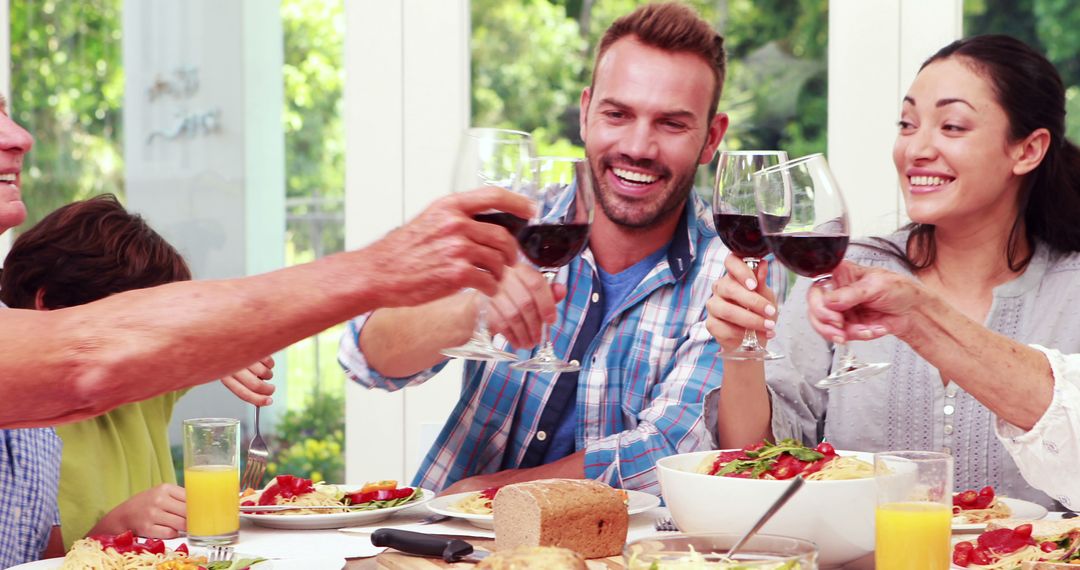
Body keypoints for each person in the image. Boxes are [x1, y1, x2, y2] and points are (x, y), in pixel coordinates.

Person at [0, 97, 531, 566]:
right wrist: (381, 269)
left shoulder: (84, 414)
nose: (22, 137)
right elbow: (87, 362)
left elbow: (172, 333)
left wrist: (220, 344)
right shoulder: (41, 397)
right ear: (50, 306)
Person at [339, 2, 731, 495]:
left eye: (671, 124)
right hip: (454, 551)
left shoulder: (728, 268)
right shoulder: (512, 219)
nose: (638, 146)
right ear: (586, 113)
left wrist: (498, 493)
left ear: (711, 138)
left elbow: (674, 448)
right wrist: (473, 308)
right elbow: (367, 356)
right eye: (617, 114)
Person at [704, 34, 1080, 509]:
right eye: (907, 124)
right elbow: (757, 461)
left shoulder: (1072, 291)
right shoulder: (844, 275)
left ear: (1027, 150)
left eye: (953, 126)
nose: (916, 149)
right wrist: (741, 353)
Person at [0, 194, 276, 549]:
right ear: (50, 305)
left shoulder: (140, 378)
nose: (153, 338)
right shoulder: (20, 421)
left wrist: (222, 344)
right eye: (135, 322)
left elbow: (194, 329)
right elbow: (32, 557)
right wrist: (113, 527)